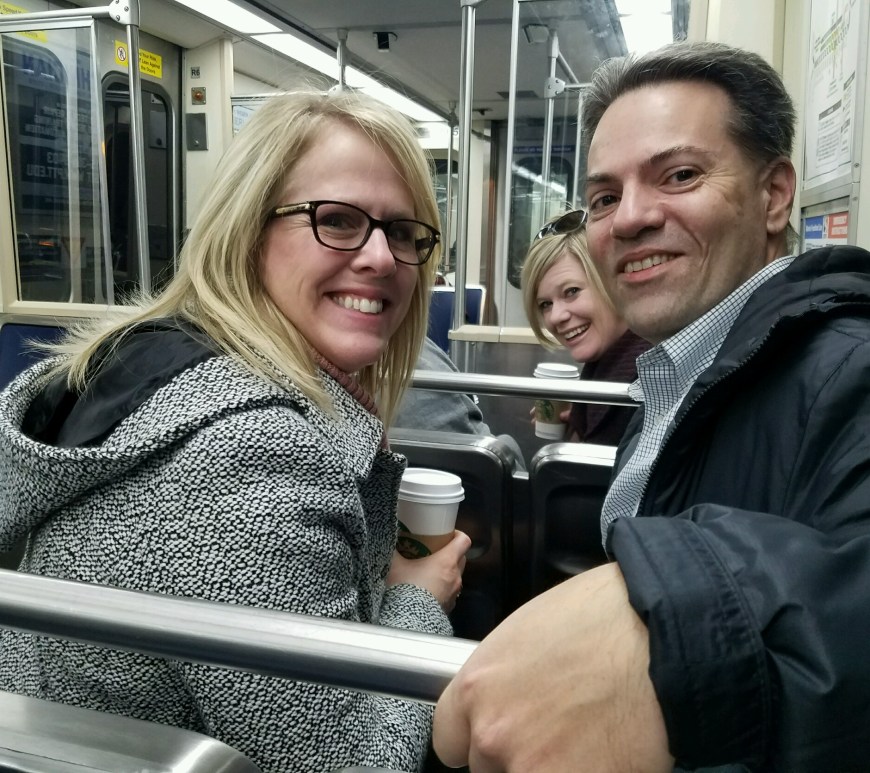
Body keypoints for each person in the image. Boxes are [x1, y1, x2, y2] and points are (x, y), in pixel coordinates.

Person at [0, 88, 472, 773]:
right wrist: (419, 603)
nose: (380, 257)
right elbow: (355, 765)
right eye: (337, 220)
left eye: (403, 232)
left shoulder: (143, 371)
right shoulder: (252, 456)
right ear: (247, 233)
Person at [433, 40, 870, 772]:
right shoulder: (674, 376)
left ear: (774, 195)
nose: (630, 218)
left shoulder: (848, 367)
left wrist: (686, 632)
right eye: (605, 197)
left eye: (680, 175)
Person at [521, 210, 649, 445]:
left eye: (571, 291)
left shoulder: (649, 382)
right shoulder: (603, 374)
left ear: (610, 281)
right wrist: (578, 421)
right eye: (545, 304)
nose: (556, 317)